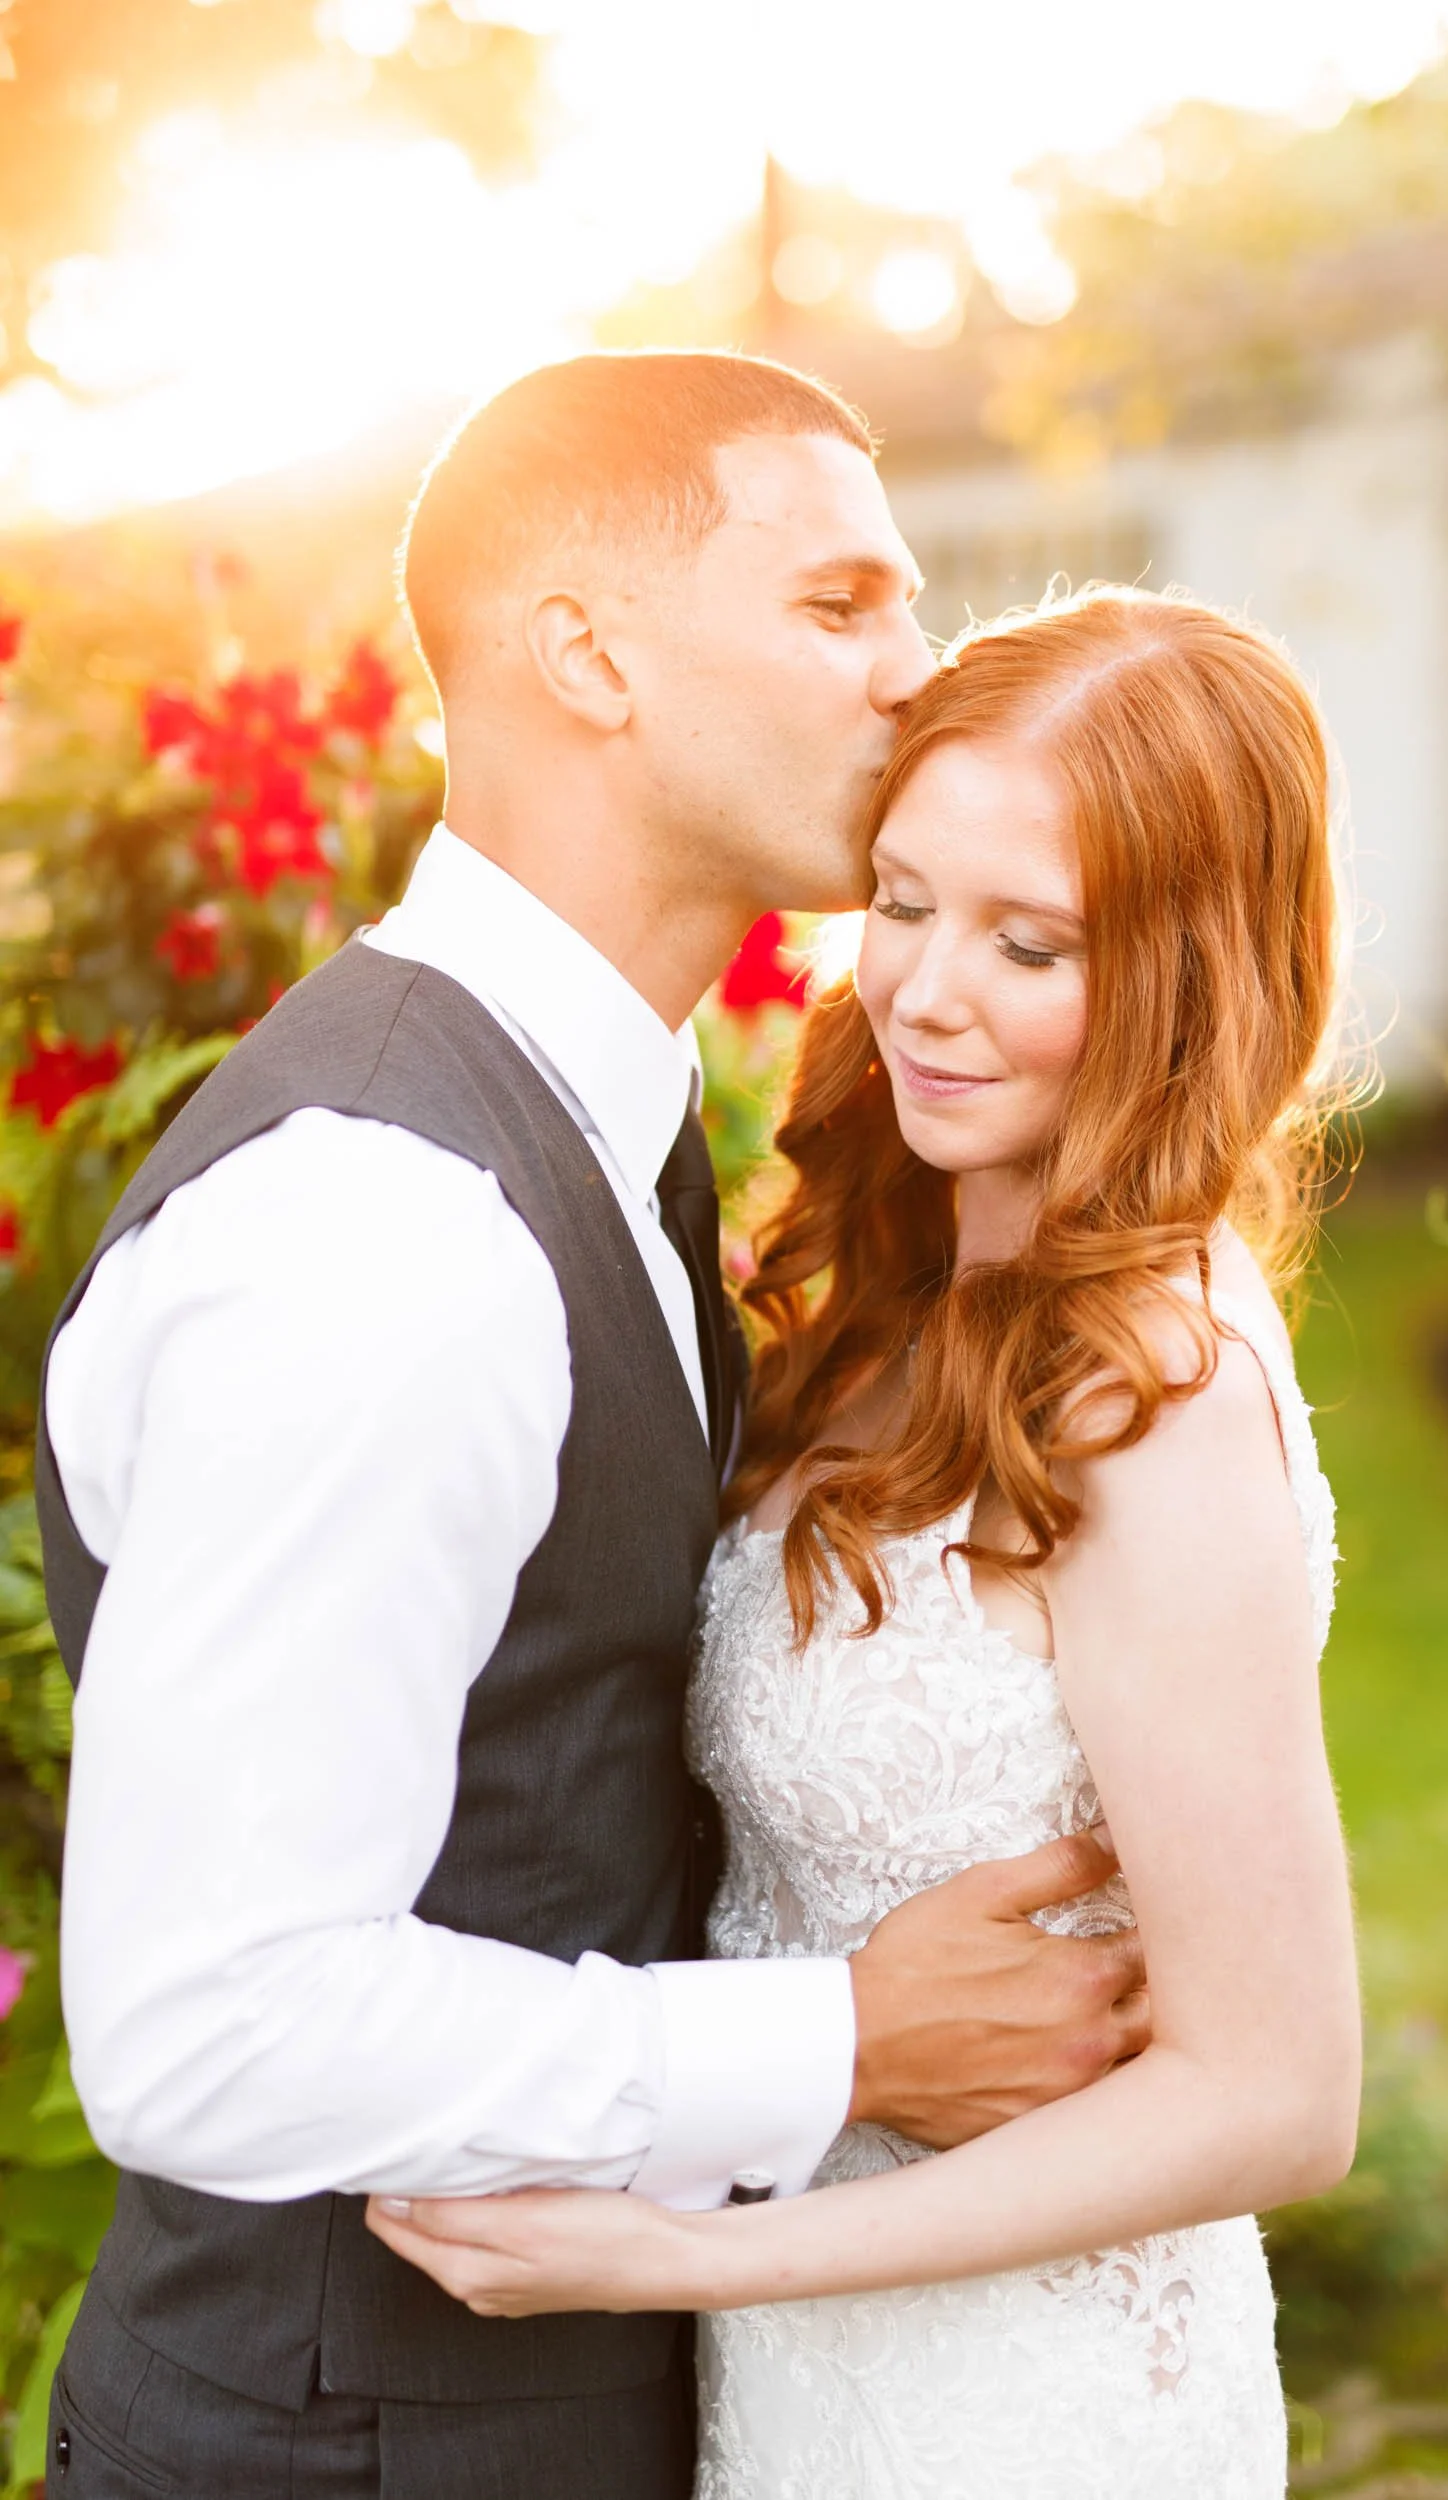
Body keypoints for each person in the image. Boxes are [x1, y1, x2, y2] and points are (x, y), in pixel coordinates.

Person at [36, 356, 1152, 2500]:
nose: (917, 679)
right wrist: (847, 2038)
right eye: (840, 606)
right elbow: (207, 2024)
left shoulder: (589, 1128)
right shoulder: (386, 1221)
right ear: (586, 653)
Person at [366, 584, 1365, 2499]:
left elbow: (1276, 2093)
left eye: (1032, 942)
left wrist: (685, 2259)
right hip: (813, 2375)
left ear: (1185, 977)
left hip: (1026, 2410)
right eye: (901, 901)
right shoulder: (917, 1280)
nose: (923, 992)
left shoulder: (1149, 1398)